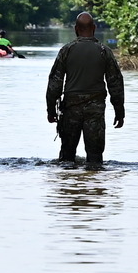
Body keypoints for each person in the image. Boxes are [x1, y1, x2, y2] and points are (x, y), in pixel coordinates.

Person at [45, 11, 125, 168]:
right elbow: (115, 83)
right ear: (94, 28)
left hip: (70, 109)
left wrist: (50, 110)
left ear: (76, 29)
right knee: (95, 160)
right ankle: (94, 186)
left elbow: (54, 83)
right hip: (95, 110)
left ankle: (68, 187)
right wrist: (119, 111)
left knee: (66, 158)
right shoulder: (104, 51)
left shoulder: (66, 51)